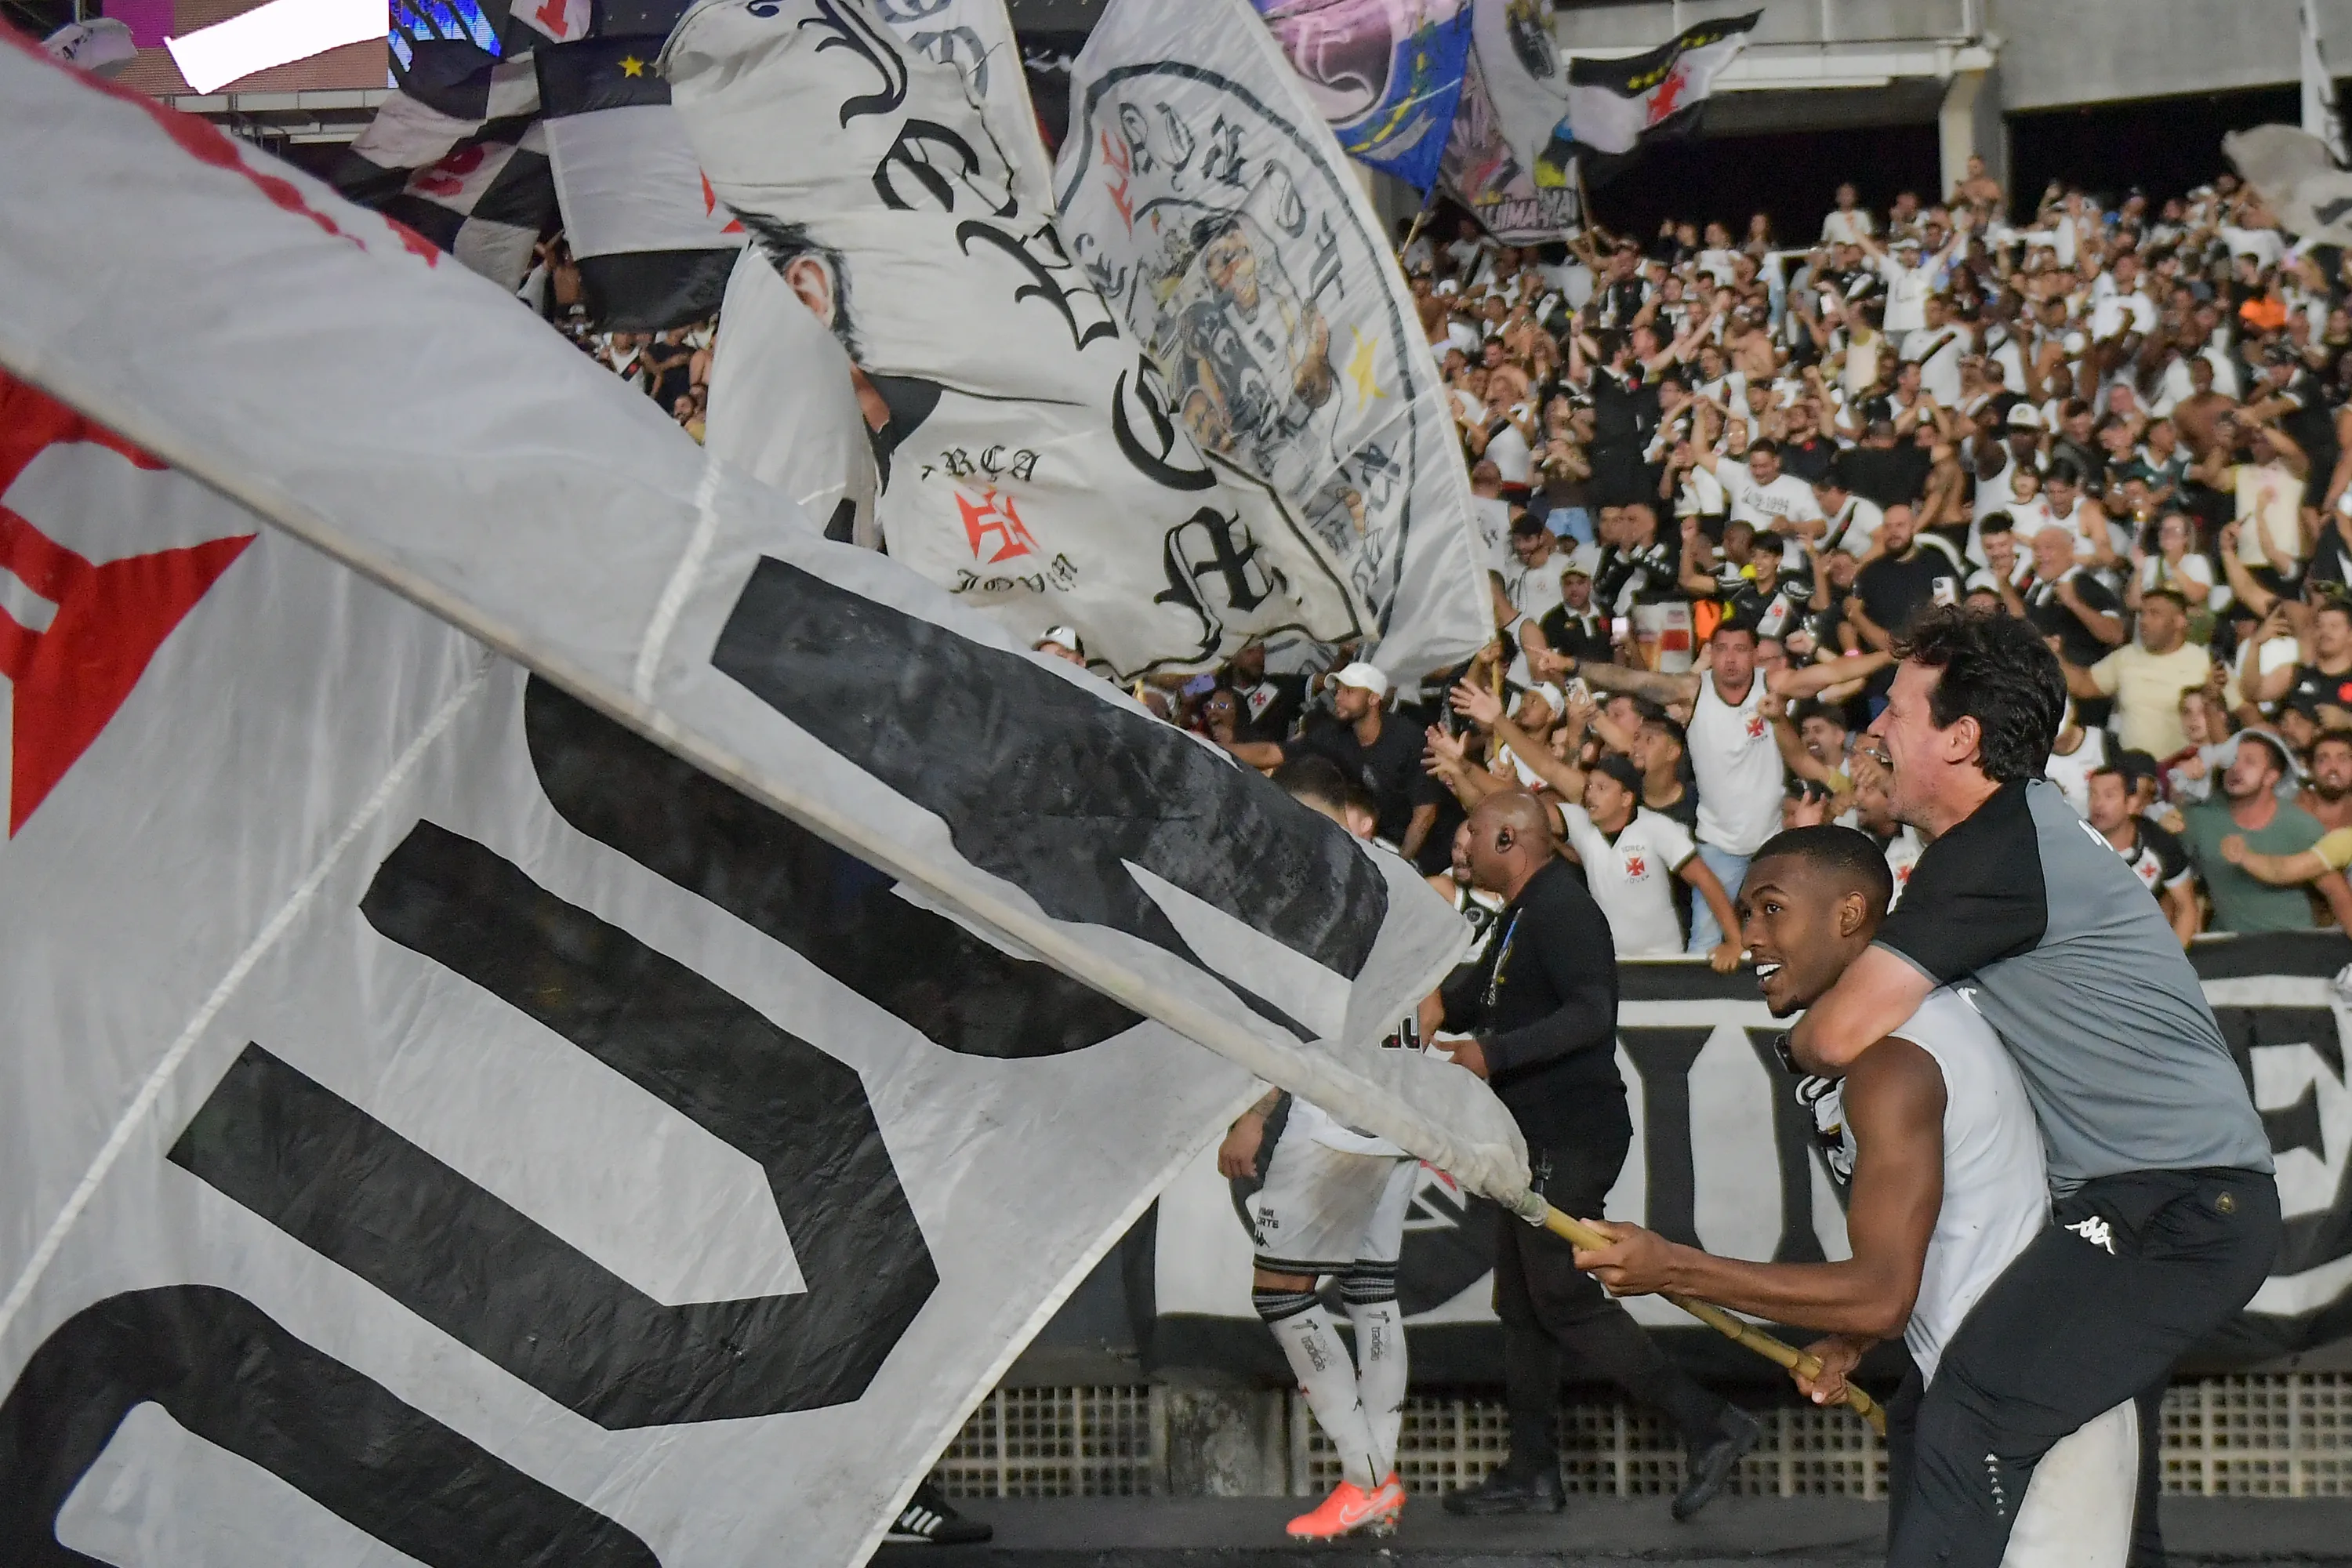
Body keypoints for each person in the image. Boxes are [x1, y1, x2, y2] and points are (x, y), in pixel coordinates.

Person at [1783, 605, 2279, 1568]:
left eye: (1896, 707)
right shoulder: (2021, 832)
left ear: (1961, 737)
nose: (1875, 727)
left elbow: (1830, 1036)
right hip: (2164, 1200)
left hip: (2173, 1207)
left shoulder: (1991, 852)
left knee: (1969, 1411)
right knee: (2051, 1440)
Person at [1571, 826, 2140, 1565]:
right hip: (2012, 1393)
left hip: (2038, 1410)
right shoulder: (1914, 1032)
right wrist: (1853, 1340)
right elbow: (1963, 1230)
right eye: (1745, 913)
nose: (1749, 938)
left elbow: (1880, 1294)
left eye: (1771, 910)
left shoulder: (1894, 1065)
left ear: (1849, 914)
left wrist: (1670, 1268)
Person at [1433, 793, 1759, 1519]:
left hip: (1570, 1135)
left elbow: (1589, 1013)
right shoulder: (1523, 911)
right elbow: (1477, 994)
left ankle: (1712, 1423)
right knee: (1521, 1304)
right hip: (1531, 1139)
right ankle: (1532, 1472)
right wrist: (1422, 1011)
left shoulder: (1563, 908)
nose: (1464, 848)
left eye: (1475, 835)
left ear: (1511, 838)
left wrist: (1492, 1052)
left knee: (1558, 1294)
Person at [1217, 756, 1417, 1541]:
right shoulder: (1405, 880)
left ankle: (1367, 1473)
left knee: (1281, 1292)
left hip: (1336, 1108)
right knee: (1372, 1287)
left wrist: (1255, 1112)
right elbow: (1431, 1000)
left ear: (1354, 815)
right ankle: (1376, 1489)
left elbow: (1288, 1015)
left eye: (1302, 812)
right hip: (1399, 1101)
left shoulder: (1321, 888)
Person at [1565, 622, 1858, 954]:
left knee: (1785, 938)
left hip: (1770, 841)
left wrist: (1887, 654)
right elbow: (1637, 682)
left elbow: (1832, 679)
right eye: (1721, 649)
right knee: (1704, 945)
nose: (1730, 659)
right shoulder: (1694, 692)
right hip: (1717, 844)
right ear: (1712, 654)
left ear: (1754, 657)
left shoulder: (1772, 691)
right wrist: (1573, 668)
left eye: (1740, 649)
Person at [1553, 753, 1744, 964]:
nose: (1590, 795)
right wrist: (1511, 785)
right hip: (1614, 962)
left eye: (1601, 788)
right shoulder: (1581, 825)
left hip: (1665, 959)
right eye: (1589, 787)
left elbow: (1704, 878)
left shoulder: (1656, 827)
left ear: (1626, 798)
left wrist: (1735, 942)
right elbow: (1533, 815)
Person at [2181, 730, 2352, 933]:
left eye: (2250, 762)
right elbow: (2171, 881)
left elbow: (2337, 893)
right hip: (2228, 948)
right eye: (2232, 760)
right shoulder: (2198, 819)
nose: (2236, 768)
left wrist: (2245, 858)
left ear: (2272, 776)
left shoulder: (2300, 825)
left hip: (2295, 943)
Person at [2053, 588, 2212, 759]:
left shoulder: (2204, 662)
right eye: (2142, 614)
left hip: (2184, 772)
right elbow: (2083, 685)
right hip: (2134, 774)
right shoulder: (2126, 656)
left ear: (2180, 621)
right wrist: (2052, 657)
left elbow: (2238, 711)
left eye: (2154, 614)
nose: (2144, 621)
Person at [2085, 766, 2199, 946]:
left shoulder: (2161, 843)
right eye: (2092, 794)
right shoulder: (2072, 844)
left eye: (2109, 795)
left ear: (2132, 804)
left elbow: (2187, 908)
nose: (2097, 804)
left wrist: (2172, 966)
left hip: (2149, 947)